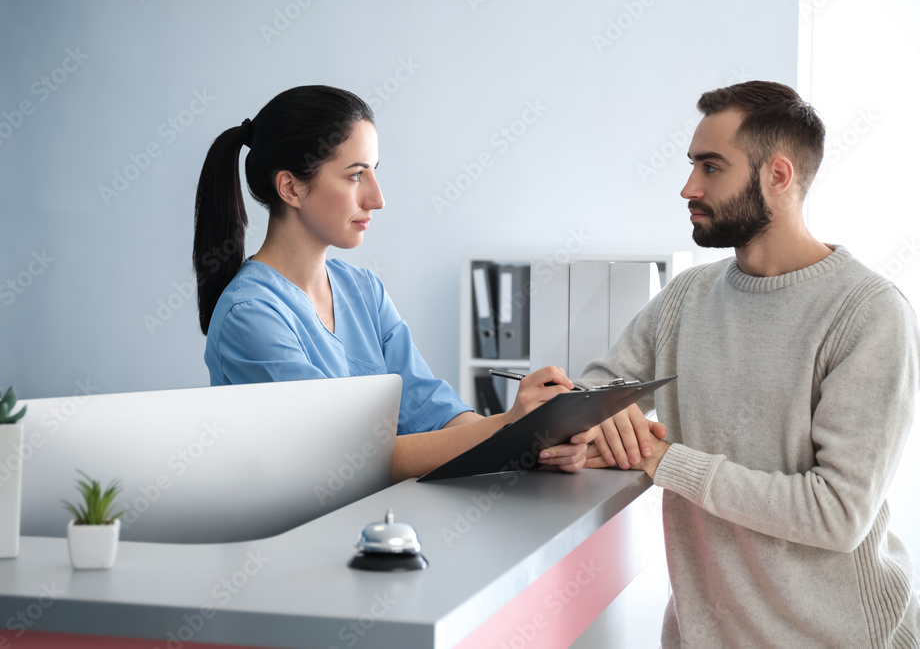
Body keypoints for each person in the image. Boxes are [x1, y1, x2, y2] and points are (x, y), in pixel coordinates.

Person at [572, 80, 920, 646]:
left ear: (778, 176)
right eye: (692, 166)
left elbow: (835, 513)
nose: (688, 187)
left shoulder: (869, 315)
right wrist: (590, 421)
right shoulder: (686, 298)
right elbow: (596, 394)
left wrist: (661, 458)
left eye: (711, 168)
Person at [192, 85, 599, 481]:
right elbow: (348, 460)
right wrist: (507, 428)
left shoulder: (364, 291)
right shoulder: (250, 315)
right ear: (291, 187)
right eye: (355, 175)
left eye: (374, 172)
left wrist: (531, 440)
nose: (377, 198)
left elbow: (432, 412)